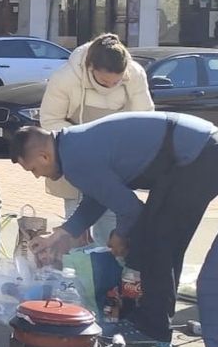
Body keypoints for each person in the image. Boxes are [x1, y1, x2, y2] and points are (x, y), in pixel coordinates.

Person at [12, 111, 218, 347]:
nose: (38, 176)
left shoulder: (76, 159)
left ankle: (154, 332)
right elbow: (99, 196)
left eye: (34, 169)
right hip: (205, 151)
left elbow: (131, 209)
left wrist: (120, 235)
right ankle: (152, 321)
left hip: (204, 155)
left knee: (155, 239)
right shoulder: (71, 146)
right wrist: (62, 233)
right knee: (160, 237)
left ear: (44, 156)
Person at [37, 34, 152, 247]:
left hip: (115, 164)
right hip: (72, 160)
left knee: (113, 224)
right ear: (90, 67)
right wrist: (86, 142)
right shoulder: (65, 78)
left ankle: (113, 274)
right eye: (104, 81)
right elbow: (49, 120)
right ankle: (79, 275)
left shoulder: (135, 75)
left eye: (116, 82)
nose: (110, 86)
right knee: (74, 229)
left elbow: (145, 119)